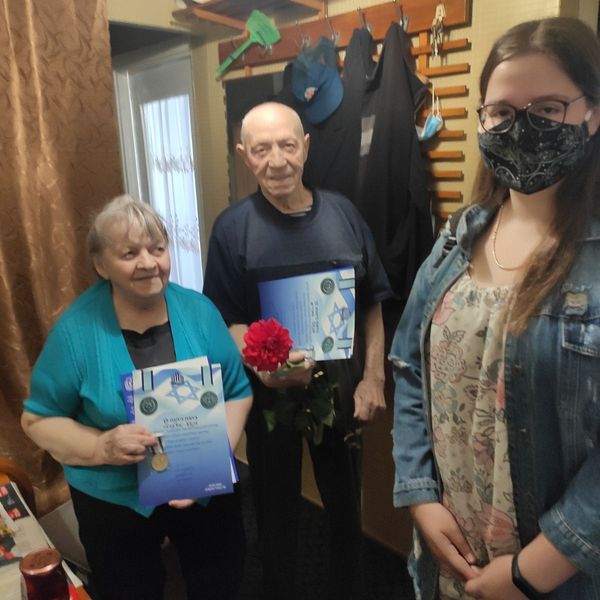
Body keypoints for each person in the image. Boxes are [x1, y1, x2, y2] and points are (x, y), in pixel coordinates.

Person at [390, 16, 600, 600]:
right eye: (502, 112)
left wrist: (533, 570)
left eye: (549, 108)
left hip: (554, 580)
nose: (521, 127)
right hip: (448, 566)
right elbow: (409, 369)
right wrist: (419, 494)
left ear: (592, 113)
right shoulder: (457, 237)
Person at [203, 101, 392, 600]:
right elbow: (225, 319)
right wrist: (261, 367)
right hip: (270, 397)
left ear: (305, 147)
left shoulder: (346, 215)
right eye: (262, 149)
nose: (278, 160)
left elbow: (372, 302)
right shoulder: (232, 228)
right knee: (275, 512)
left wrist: (374, 378)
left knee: (347, 508)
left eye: (287, 145)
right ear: (246, 156)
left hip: (343, 390)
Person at [21, 195, 253, 600]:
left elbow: (237, 391)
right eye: (129, 253)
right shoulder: (76, 332)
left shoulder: (199, 311)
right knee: (129, 589)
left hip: (202, 487)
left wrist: (215, 456)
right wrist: (101, 445)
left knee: (220, 577)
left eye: (157, 249)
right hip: (114, 497)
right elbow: (37, 419)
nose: (148, 262)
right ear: (100, 264)